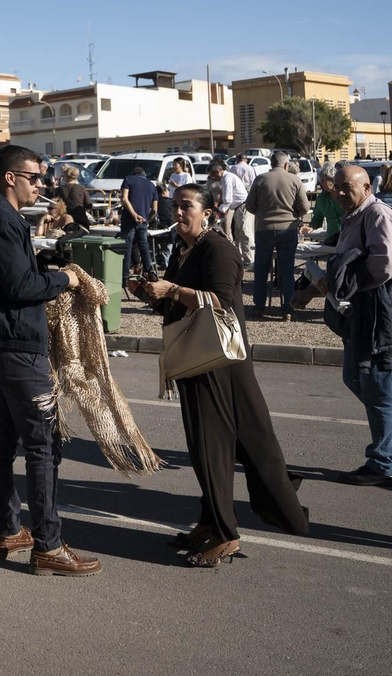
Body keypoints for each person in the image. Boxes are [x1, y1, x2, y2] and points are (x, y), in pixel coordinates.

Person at [132, 183, 310, 567]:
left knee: (213, 450)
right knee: (206, 448)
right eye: (174, 206)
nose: (177, 213)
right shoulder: (185, 248)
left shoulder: (219, 249)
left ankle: (226, 536)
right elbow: (175, 296)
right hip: (196, 359)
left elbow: (221, 301)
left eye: (186, 206)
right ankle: (209, 523)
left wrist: (173, 289)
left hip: (218, 364)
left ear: (208, 212)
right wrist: (151, 292)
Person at [0, 145, 101, 578]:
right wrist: (64, 278)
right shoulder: (1, 220)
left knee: (2, 440)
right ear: (8, 177)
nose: (41, 184)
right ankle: (49, 545)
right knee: (42, 445)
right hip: (16, 346)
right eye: (34, 177)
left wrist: (42, 264)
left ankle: (10, 529)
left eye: (42, 177)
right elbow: (20, 286)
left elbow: (10, 275)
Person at [321, 164, 392, 485]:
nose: (340, 193)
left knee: (377, 388)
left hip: (378, 314)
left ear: (367, 188)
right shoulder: (354, 216)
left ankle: (382, 464)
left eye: (347, 188)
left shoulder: (378, 214)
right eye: (337, 187)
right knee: (355, 378)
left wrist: (345, 285)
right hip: (361, 313)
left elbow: (381, 267)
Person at [245, 152, 310, 319]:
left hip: (264, 228)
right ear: (286, 165)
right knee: (286, 270)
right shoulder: (294, 180)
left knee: (261, 269)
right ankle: (287, 308)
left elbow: (250, 205)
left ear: (271, 164)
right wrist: (293, 214)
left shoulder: (260, 179)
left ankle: (259, 306)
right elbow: (304, 207)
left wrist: (262, 212)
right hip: (287, 228)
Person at [119, 164, 157, 277]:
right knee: (144, 245)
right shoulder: (152, 186)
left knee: (127, 246)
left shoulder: (128, 179)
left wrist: (134, 215)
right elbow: (154, 210)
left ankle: (125, 275)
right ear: (144, 175)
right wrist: (146, 219)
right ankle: (148, 271)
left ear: (133, 174)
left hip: (128, 218)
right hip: (143, 220)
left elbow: (124, 199)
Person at [304, 169, 343, 241]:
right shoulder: (321, 198)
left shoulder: (344, 195)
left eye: (323, 180)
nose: (321, 184)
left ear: (332, 180)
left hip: (347, 236)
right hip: (331, 237)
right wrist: (311, 227)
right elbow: (317, 217)